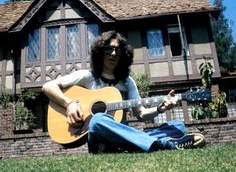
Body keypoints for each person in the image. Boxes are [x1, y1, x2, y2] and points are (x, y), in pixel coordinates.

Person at [42, 30, 205, 153]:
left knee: (177, 126)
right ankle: (162, 144)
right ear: (100, 52)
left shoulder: (127, 82)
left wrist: (160, 108)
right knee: (97, 120)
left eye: (118, 50)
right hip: (101, 139)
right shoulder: (86, 76)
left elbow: (141, 113)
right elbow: (48, 86)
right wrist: (69, 103)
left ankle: (135, 144)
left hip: (124, 135)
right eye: (109, 49)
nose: (113, 53)